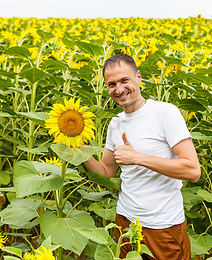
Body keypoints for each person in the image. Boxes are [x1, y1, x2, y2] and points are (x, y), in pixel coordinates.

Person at [84, 54, 201, 260]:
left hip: (162, 226)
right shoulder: (116, 123)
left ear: (138, 77)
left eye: (124, 80)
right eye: (111, 84)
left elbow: (192, 170)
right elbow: (106, 173)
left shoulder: (165, 113)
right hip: (125, 221)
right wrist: (78, 148)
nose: (119, 90)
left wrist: (137, 158)